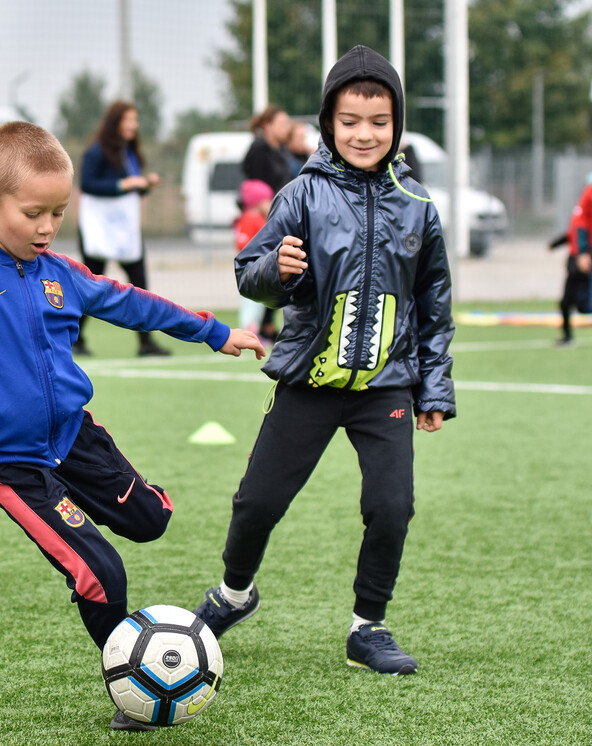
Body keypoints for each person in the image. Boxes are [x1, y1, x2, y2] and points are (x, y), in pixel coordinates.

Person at [0, 121, 265, 730]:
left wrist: (215, 332)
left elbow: (131, 302)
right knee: (100, 574)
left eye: (58, 213)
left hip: (74, 435)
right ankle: (135, 687)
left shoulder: (59, 271)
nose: (47, 228)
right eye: (34, 213)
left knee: (152, 522)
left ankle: (79, 511)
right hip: (9, 460)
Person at [192, 45, 456, 676]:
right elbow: (246, 275)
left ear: (396, 124)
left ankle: (369, 626)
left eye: (379, 121)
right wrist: (274, 274)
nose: (365, 134)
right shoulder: (301, 195)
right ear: (328, 124)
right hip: (308, 381)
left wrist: (435, 390)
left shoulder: (419, 205)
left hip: (387, 386)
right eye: (349, 121)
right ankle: (233, 595)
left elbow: (435, 303)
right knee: (257, 502)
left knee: (392, 506)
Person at [73, 100, 169, 357]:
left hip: (124, 231)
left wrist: (145, 184)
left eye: (135, 121)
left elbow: (130, 187)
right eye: (128, 120)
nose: (133, 125)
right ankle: (74, 338)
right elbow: (88, 184)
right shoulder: (97, 151)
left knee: (139, 284)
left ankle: (146, 342)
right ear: (115, 122)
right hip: (98, 230)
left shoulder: (130, 152)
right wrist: (124, 184)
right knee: (91, 287)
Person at [242, 106, 295, 343]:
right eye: (282, 122)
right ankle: (256, 325)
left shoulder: (282, 150)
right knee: (264, 268)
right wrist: (268, 210)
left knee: (283, 270)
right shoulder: (258, 150)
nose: (287, 127)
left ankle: (269, 325)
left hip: (281, 215)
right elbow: (252, 188)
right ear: (267, 126)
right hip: (264, 220)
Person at [548, 177, 592, 346]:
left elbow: (581, 230)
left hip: (582, 257)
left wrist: (583, 254)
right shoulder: (581, 206)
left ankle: (567, 337)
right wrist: (555, 244)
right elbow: (574, 232)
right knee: (568, 302)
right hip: (577, 257)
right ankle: (567, 336)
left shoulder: (588, 195)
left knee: (581, 304)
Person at [233, 179, 274, 334]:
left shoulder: (255, 217)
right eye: (267, 200)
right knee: (251, 302)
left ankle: (253, 331)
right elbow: (243, 242)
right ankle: (249, 332)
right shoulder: (252, 217)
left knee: (257, 302)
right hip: (252, 267)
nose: (270, 203)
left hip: (258, 266)